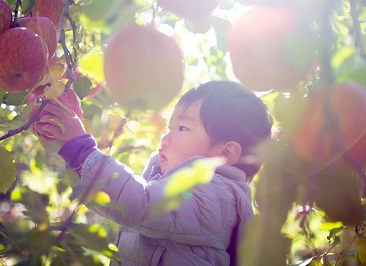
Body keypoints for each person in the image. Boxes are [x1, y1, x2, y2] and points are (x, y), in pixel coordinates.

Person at [35, 80, 272, 266]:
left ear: (226, 153)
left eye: (182, 128)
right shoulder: (175, 184)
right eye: (169, 127)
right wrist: (74, 156)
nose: (166, 138)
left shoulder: (215, 194)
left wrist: (81, 150)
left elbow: (138, 203)